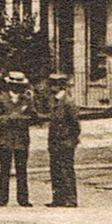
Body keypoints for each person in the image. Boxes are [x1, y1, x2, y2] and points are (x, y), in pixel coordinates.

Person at [0, 71, 36, 207]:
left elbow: (33, 117)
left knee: (22, 169)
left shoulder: (27, 100)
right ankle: (2, 199)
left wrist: (20, 119)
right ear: (9, 85)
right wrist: (9, 119)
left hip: (22, 139)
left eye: (20, 85)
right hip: (6, 139)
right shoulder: (0, 99)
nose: (17, 88)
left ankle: (23, 198)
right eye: (14, 85)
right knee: (4, 170)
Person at [44, 72, 81, 207]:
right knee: (55, 169)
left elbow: (75, 124)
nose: (51, 87)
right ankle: (58, 198)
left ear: (61, 86)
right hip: (54, 141)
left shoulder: (68, 102)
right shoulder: (54, 100)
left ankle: (71, 199)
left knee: (66, 170)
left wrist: (72, 139)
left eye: (54, 85)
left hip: (65, 141)